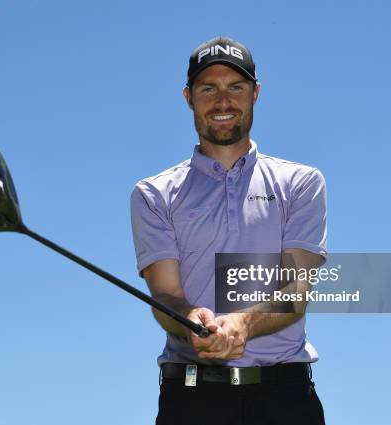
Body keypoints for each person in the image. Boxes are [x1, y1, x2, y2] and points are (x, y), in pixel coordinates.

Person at [130, 36, 327, 425]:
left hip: (285, 399)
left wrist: (241, 324)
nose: (223, 101)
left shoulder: (301, 183)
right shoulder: (153, 194)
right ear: (189, 97)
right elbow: (166, 296)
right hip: (192, 401)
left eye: (235, 87)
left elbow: (296, 290)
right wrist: (191, 319)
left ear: (255, 93)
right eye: (209, 88)